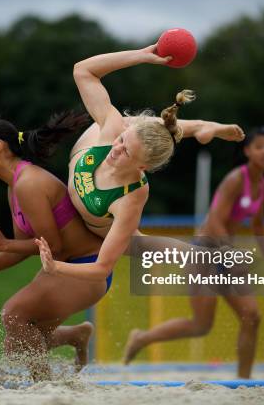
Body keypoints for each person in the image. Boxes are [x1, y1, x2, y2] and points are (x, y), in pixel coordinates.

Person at [35, 44, 245, 285]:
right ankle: (198, 126)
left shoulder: (132, 196)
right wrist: (142, 56)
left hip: (97, 225)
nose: (116, 150)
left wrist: (56, 267)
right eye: (121, 142)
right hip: (103, 136)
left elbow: (102, 268)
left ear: (142, 167)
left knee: (140, 244)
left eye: (126, 152)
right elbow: (83, 71)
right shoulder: (113, 132)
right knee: (123, 123)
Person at [0, 112, 106, 381]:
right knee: (15, 346)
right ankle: (77, 335)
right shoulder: (14, 187)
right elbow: (23, 247)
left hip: (87, 268)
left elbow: (51, 246)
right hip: (65, 268)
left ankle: (45, 387)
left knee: (13, 314)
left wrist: (3, 243)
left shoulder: (28, 183)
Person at [122, 127, 264, 379]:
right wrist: (229, 255)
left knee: (252, 316)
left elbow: (258, 225)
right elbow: (215, 221)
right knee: (200, 325)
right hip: (205, 252)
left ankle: (244, 382)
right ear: (247, 151)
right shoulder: (235, 179)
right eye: (259, 146)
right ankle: (141, 338)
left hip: (226, 253)